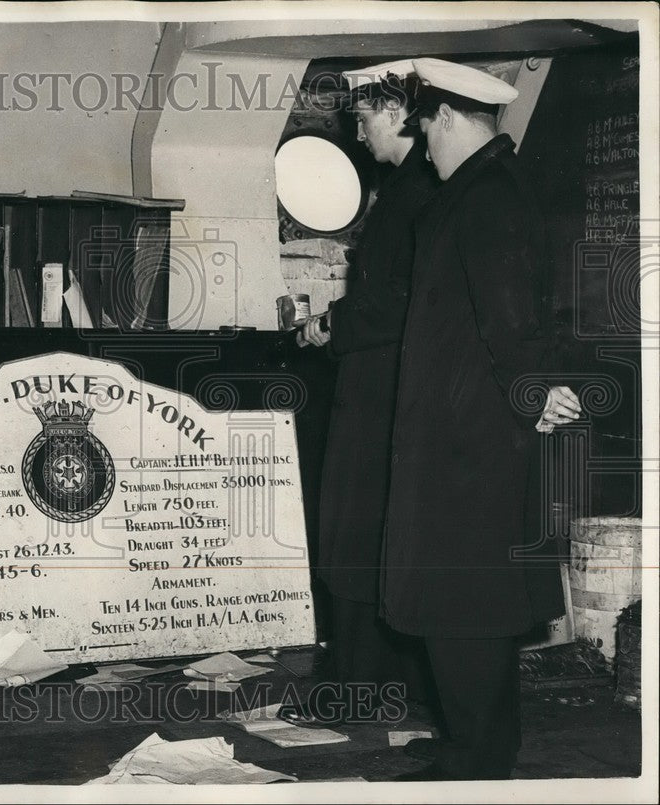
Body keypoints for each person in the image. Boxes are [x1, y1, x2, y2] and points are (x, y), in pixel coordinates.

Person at [382, 57, 580, 781]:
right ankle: (473, 740)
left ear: (449, 118)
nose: (423, 146)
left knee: (465, 603)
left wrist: (533, 390)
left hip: (468, 446)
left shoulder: (485, 197)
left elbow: (510, 317)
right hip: (461, 437)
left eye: (424, 127)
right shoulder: (481, 191)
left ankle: (480, 758)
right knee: (461, 599)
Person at [287, 60, 440, 726]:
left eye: (364, 117)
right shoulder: (409, 186)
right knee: (363, 536)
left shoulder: (414, 193)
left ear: (398, 116)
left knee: (355, 535)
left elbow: (395, 301)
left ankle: (359, 686)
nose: (358, 130)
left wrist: (329, 324)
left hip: (381, 392)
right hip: (382, 389)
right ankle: (367, 681)